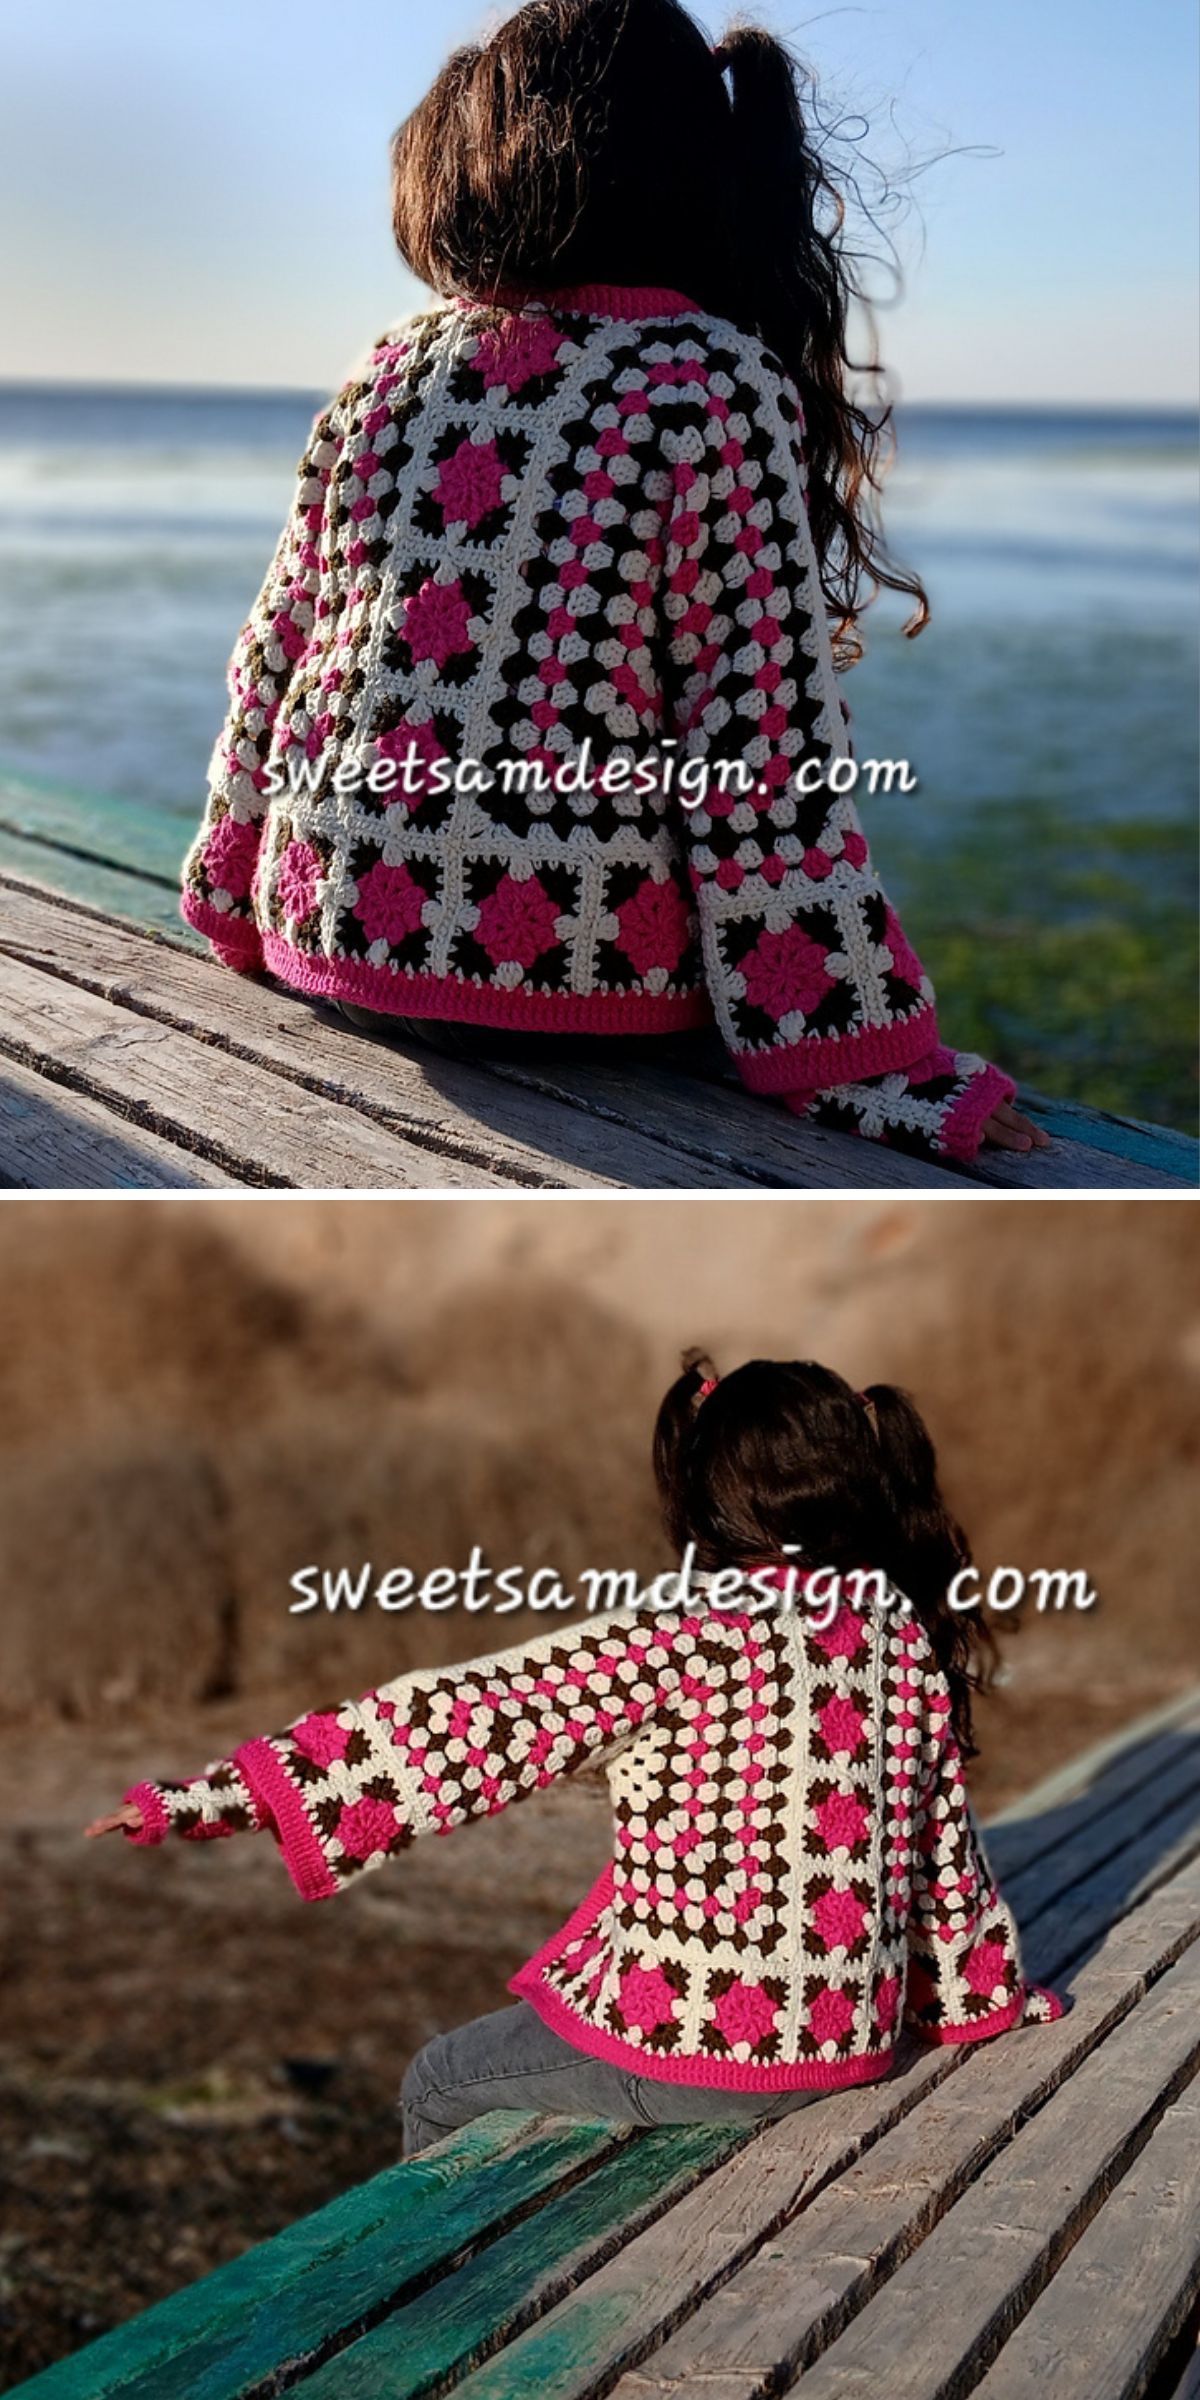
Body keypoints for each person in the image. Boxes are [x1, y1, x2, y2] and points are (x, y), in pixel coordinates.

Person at [179, 0, 1048, 1168]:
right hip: (580, 991)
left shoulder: (388, 364)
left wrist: (234, 895)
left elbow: (277, 657)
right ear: (710, 168)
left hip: (327, 937)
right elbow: (761, 751)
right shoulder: (708, 382)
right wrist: (861, 1055)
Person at [87, 1356, 1062, 2154]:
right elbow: (942, 1851)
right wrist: (983, 2000)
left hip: (712, 2047)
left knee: (437, 2082)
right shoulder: (894, 1627)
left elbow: (466, 1724)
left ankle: (440, 2311)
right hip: (852, 2040)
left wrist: (212, 1799)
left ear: (715, 1494)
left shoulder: (694, 1631)